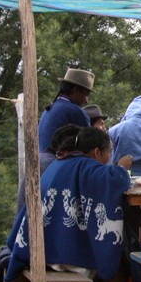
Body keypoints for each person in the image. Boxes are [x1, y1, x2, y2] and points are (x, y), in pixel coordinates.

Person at [5, 125, 140, 282]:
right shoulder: (90, 169)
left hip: (38, 249)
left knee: (105, 247)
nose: (108, 158)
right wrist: (122, 166)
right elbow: (116, 179)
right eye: (108, 153)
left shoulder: (59, 164)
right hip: (62, 257)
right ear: (96, 152)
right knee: (116, 253)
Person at [14, 68, 94, 215]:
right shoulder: (76, 112)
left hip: (38, 164)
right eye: (86, 94)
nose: (86, 100)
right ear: (75, 90)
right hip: (56, 170)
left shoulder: (51, 109)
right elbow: (89, 147)